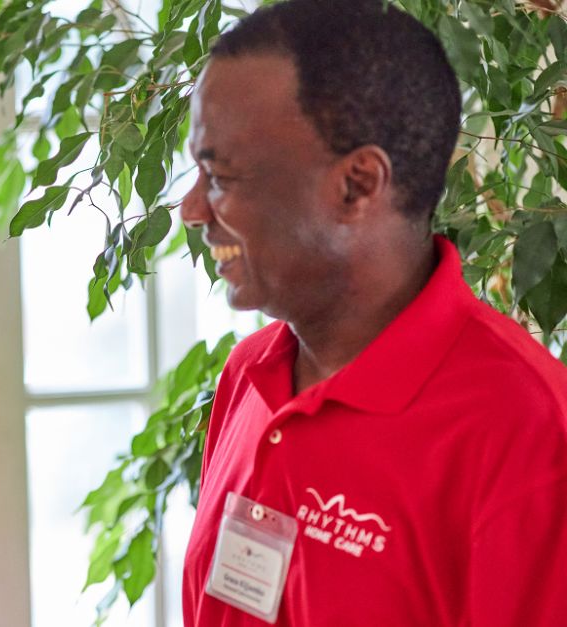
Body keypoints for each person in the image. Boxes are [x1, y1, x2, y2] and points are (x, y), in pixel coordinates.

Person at [180, 0, 567, 625]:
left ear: (357, 185)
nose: (191, 209)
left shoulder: (530, 440)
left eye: (219, 176)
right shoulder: (250, 377)